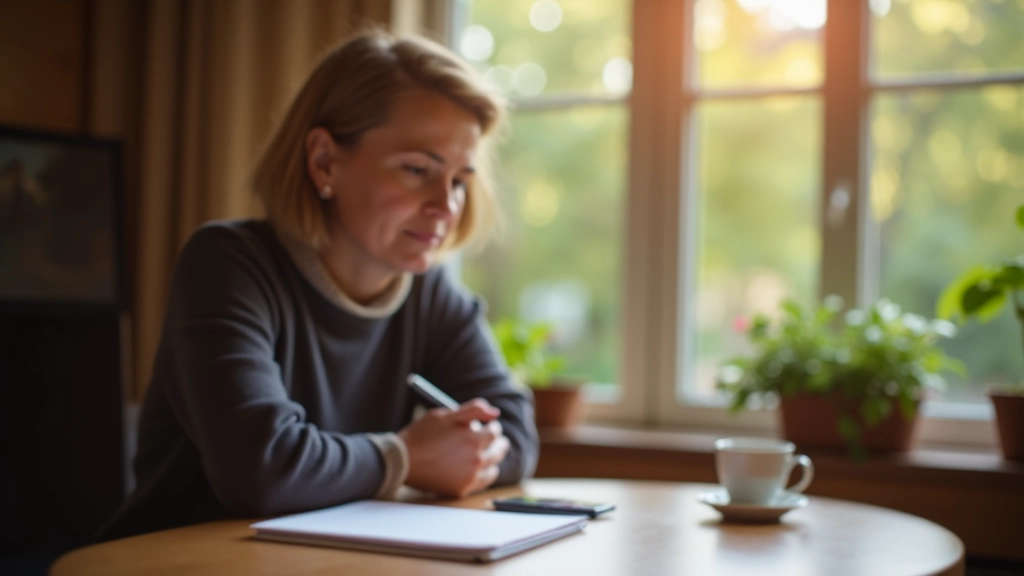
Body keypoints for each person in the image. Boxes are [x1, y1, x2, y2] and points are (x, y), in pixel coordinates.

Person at [98, 28, 538, 541]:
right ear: (324, 160)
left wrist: (457, 453)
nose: (446, 206)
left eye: (460, 180)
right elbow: (259, 471)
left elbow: (515, 437)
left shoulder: (431, 295)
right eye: (418, 169)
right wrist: (406, 457)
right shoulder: (227, 264)